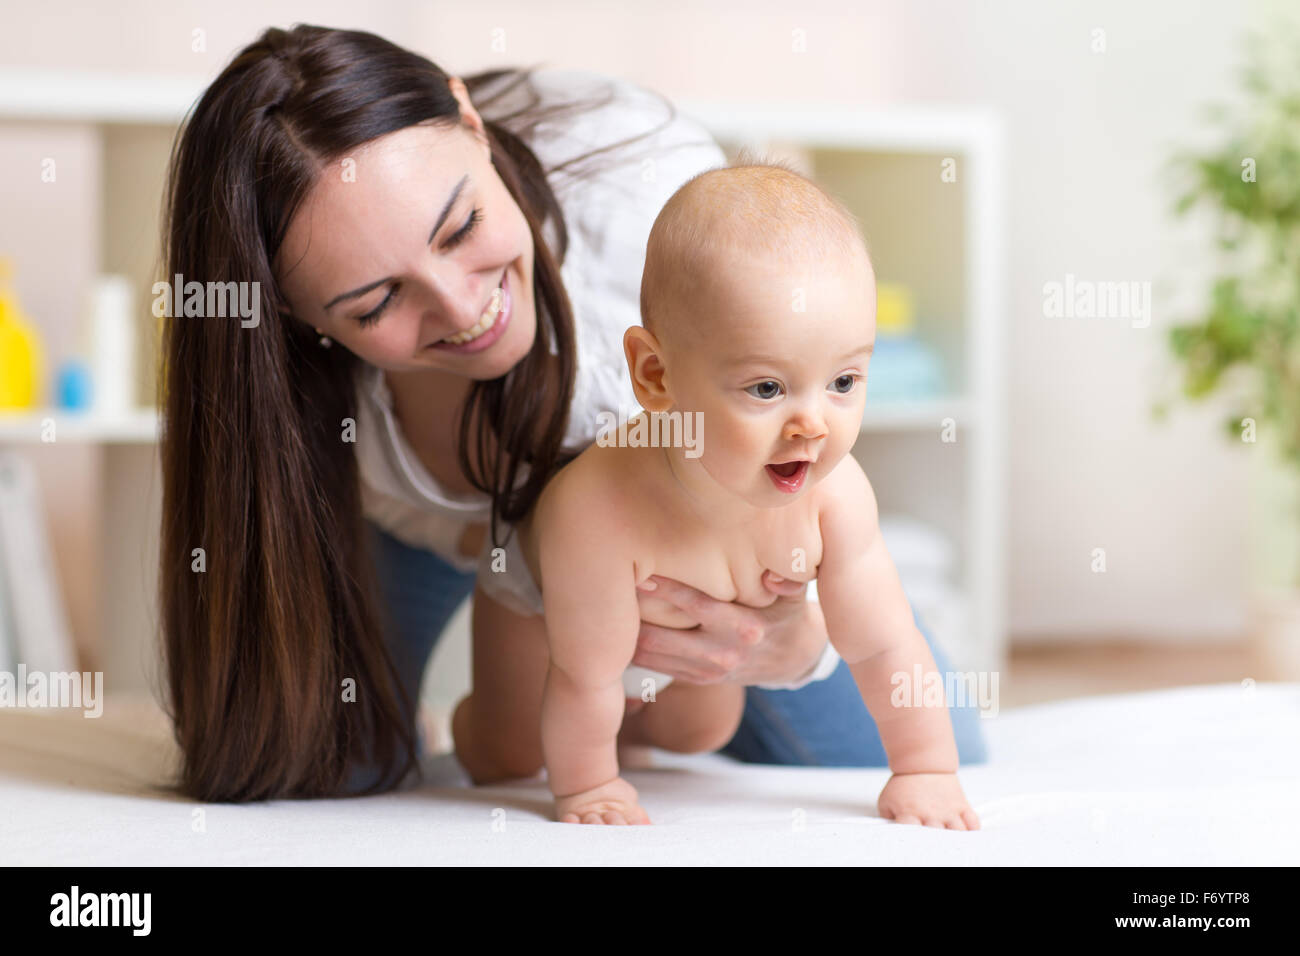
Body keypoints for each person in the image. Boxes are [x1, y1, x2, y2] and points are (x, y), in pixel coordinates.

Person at [156, 23, 986, 803]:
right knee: (327, 766)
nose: (462, 307)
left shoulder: (644, 196)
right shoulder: (293, 397)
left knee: (921, 745)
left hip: (666, 524)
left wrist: (792, 640)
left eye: (463, 228)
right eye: (376, 303)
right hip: (458, 536)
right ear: (295, 318)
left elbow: (855, 641)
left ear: (470, 119)